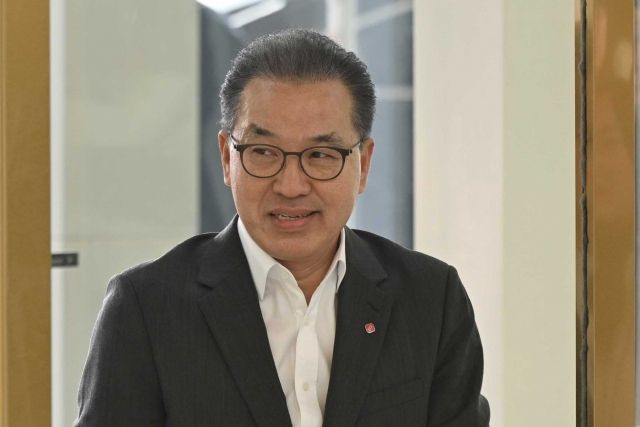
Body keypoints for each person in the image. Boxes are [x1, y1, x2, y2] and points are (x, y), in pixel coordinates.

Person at [75, 28, 490, 427]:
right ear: (227, 158)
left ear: (363, 164)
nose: (291, 186)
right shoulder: (146, 308)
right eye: (263, 151)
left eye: (321, 155)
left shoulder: (431, 299)